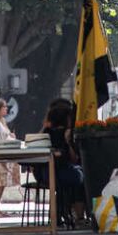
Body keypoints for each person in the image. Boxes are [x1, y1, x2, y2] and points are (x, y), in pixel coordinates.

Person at [40, 97, 87, 226]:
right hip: (60, 173)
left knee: (69, 179)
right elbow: (73, 158)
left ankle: (61, 213)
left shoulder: (44, 133)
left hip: (44, 174)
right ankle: (76, 215)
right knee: (79, 176)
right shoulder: (65, 134)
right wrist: (68, 143)